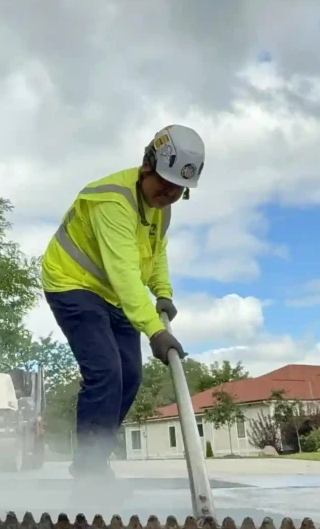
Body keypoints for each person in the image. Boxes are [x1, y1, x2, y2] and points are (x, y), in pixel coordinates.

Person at [40, 124, 203, 478]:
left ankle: (96, 459)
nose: (170, 191)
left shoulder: (162, 207)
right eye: (165, 181)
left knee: (129, 376)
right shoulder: (113, 201)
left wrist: (164, 292)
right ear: (147, 165)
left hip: (114, 294)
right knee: (105, 371)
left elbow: (155, 251)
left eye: (179, 188)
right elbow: (125, 273)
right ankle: (89, 471)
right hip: (73, 283)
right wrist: (155, 331)